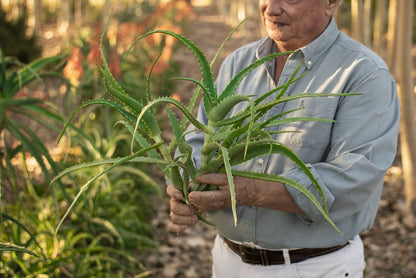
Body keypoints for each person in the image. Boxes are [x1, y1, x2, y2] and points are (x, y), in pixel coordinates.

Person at [167, 0, 400, 277]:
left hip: (314, 267)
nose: (271, 8)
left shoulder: (362, 73)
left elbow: (353, 180)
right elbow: (200, 139)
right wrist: (185, 187)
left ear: (331, 3)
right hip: (228, 260)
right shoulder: (238, 63)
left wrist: (249, 192)